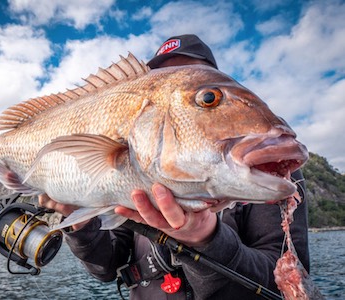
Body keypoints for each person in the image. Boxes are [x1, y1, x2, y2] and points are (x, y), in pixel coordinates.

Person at [39, 34, 310, 299]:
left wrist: (205, 238)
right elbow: (107, 266)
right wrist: (80, 222)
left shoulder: (267, 171)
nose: (173, 85)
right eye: (160, 80)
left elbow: (286, 285)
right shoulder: (129, 176)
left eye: (207, 98)